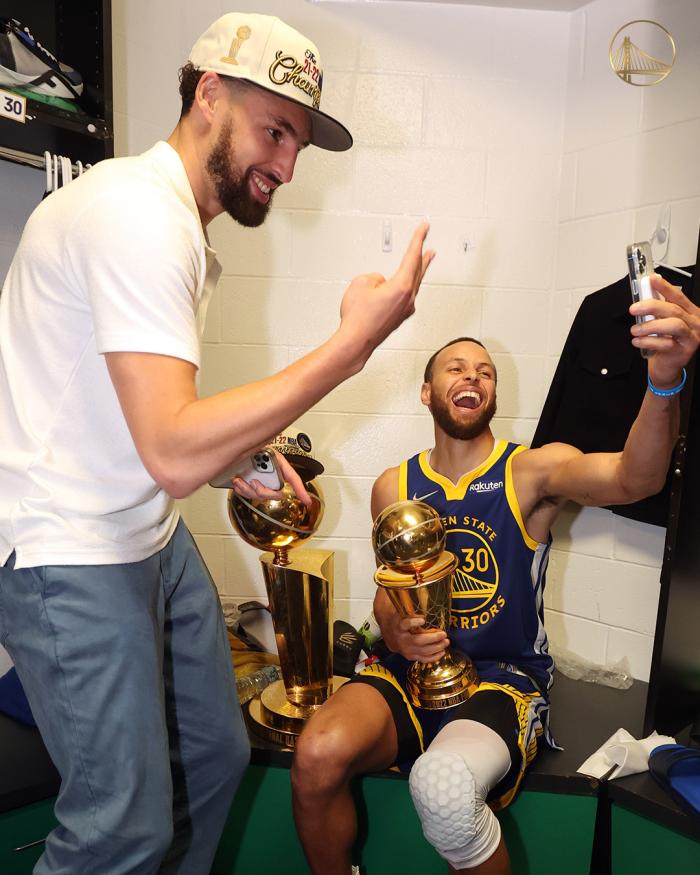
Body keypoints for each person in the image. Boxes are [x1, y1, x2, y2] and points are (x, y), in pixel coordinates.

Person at [0, 12, 433, 874]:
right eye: (275, 131)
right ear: (209, 96)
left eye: (298, 143)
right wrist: (352, 345)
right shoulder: (136, 214)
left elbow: (141, 418)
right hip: (71, 546)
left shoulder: (174, 225)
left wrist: (240, 460)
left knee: (212, 757)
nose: (287, 165)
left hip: (147, 537)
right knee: (119, 830)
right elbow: (171, 448)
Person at [291, 275, 700, 875]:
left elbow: (637, 479)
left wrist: (663, 381)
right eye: (455, 368)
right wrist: (397, 631)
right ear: (427, 392)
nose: (473, 377)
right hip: (405, 674)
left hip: (501, 680)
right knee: (315, 756)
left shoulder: (532, 472)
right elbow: (387, 595)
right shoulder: (393, 486)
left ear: (492, 395)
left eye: (485, 372)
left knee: (446, 788)